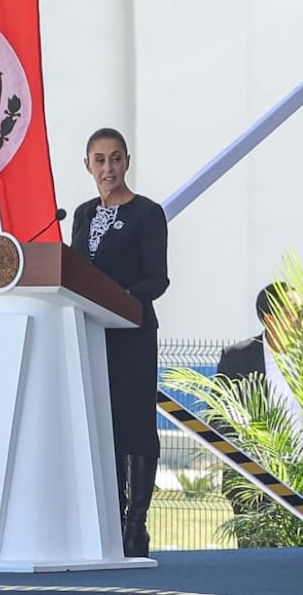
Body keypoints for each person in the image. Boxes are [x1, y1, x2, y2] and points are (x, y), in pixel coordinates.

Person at [69, 127, 169, 558]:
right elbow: (73, 270)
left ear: (126, 161)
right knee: (100, 427)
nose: (107, 168)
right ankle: (109, 518)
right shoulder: (82, 214)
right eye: (99, 160)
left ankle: (135, 526)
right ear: (87, 165)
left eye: (115, 159)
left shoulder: (148, 213)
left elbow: (158, 278)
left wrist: (120, 298)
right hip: (90, 334)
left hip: (131, 332)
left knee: (135, 424)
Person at [216, 282, 303, 435]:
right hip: (257, 458)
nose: (302, 318)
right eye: (295, 311)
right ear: (270, 319)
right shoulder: (236, 358)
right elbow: (219, 418)